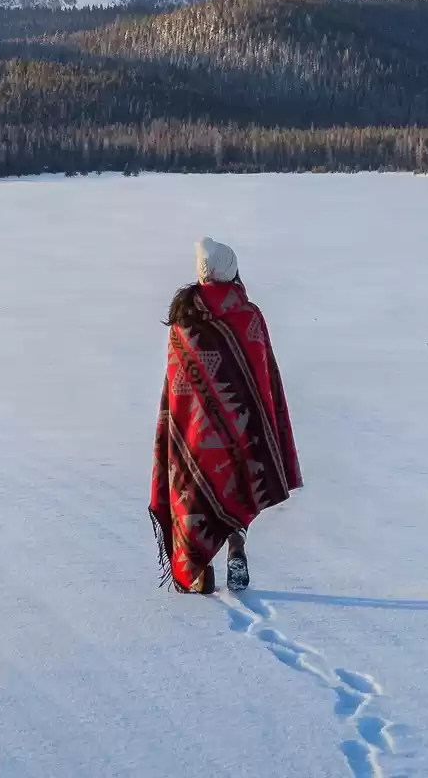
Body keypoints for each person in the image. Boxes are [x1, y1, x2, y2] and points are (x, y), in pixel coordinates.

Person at [149, 237, 302, 594]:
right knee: (240, 488)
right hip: (246, 428)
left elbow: (177, 388)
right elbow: (265, 377)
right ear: (231, 272)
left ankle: (200, 570)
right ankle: (236, 545)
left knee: (196, 495)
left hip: (197, 438)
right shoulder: (249, 317)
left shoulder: (184, 322)